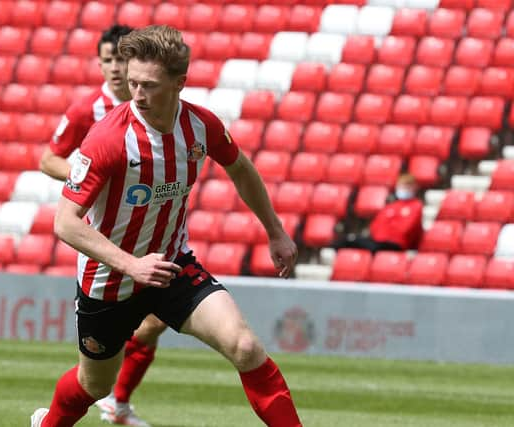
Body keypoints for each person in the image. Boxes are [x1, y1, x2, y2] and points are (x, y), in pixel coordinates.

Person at [31, 25, 303, 427]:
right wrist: (131, 265)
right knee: (94, 386)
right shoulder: (108, 137)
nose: (137, 94)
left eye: (149, 85)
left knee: (245, 346)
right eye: (133, 82)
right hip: (109, 281)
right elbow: (65, 223)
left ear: (180, 83)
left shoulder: (200, 125)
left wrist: (275, 230)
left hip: (172, 267)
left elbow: (241, 169)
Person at [40, 24, 164, 427]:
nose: (114, 68)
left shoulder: (158, 106)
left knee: (156, 320)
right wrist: (85, 171)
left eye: (120, 59)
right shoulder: (87, 110)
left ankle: (116, 400)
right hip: (104, 231)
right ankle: (106, 396)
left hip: (149, 227)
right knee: (110, 344)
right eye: (107, 60)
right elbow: (48, 159)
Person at [332, 173, 423, 253]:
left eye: (407, 186)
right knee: (342, 242)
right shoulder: (391, 206)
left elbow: (405, 228)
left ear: (414, 187)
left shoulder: (416, 206)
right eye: (401, 186)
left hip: (396, 244)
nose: (403, 189)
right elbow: (376, 225)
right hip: (379, 241)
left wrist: (388, 228)